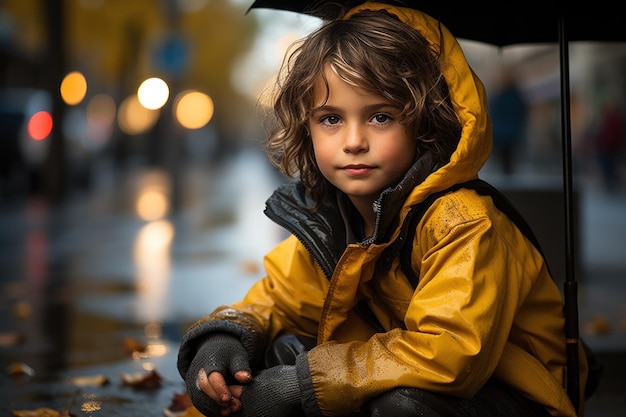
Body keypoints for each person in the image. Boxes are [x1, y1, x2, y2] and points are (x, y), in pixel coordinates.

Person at [177, 3, 589, 416]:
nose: (354, 141)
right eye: (331, 119)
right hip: (417, 382)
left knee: (397, 405)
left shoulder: (463, 223)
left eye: (380, 117)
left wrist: (304, 385)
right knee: (283, 351)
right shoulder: (336, 218)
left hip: (510, 399)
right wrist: (227, 336)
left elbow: (451, 353)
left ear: (424, 121)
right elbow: (277, 300)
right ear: (307, 126)